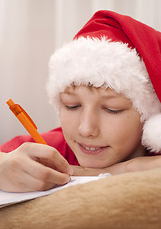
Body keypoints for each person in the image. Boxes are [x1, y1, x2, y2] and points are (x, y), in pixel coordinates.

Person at [0, 10, 161, 192]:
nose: (85, 130)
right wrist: (3, 166)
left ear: (151, 115)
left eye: (111, 109)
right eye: (72, 105)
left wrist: (122, 170)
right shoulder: (51, 149)